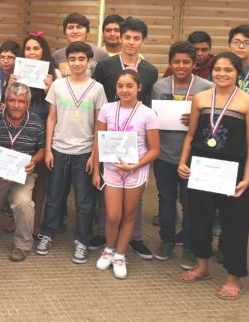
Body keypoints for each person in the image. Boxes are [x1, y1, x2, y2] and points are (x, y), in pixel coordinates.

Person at [178, 52, 249, 300]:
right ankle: (202, 265)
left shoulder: (248, 102)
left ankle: (234, 277)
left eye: (228, 70)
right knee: (198, 219)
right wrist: (182, 161)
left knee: (235, 225)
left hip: (234, 171)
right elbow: (191, 135)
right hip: (201, 168)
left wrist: (247, 177)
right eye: (217, 69)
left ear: (237, 73)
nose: (222, 74)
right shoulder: (201, 98)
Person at [35, 42, 107, 264]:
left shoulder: (97, 88)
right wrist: (48, 149)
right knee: (55, 197)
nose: (77, 63)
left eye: (82, 59)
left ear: (89, 62)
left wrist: (95, 155)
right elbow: (51, 118)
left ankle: (82, 241)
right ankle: (47, 234)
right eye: (73, 59)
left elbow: (99, 124)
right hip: (58, 149)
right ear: (67, 61)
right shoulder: (58, 86)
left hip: (84, 151)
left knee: (85, 201)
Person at [93, 70, 160, 279]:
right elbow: (98, 141)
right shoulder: (107, 109)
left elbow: (155, 149)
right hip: (112, 170)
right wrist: (96, 170)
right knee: (113, 216)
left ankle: (120, 255)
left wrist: (135, 165)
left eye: (129, 86)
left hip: (135, 171)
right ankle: (109, 249)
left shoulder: (148, 114)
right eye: (120, 86)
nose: (124, 90)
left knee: (128, 215)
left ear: (139, 87)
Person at [151, 42, 213, 268]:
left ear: (194, 63)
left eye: (186, 62)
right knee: (166, 199)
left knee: (190, 202)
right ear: (170, 63)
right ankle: (166, 241)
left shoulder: (207, 87)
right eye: (176, 62)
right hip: (164, 154)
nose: (181, 66)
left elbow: (214, 121)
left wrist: (197, 118)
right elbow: (152, 118)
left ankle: (189, 246)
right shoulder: (159, 86)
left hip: (193, 156)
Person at [0, 83, 45, 262]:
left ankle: (22, 245)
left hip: (24, 173)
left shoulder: (37, 122)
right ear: (6, 101)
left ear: (28, 103)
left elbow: (42, 148)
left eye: (21, 101)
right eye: (12, 100)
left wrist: (34, 161)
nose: (16, 105)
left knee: (24, 204)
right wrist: (1, 167)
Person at [20, 33, 58, 236]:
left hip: (44, 130)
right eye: (28, 49)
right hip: (21, 130)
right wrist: (12, 84)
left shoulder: (55, 75)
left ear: (43, 51)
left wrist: (50, 88)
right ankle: (21, 218)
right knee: (21, 176)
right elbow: (9, 103)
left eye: (36, 48)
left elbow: (59, 107)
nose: (32, 52)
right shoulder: (18, 73)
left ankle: (36, 222)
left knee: (41, 179)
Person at [227, 24, 249, 95]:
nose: (241, 46)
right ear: (229, 46)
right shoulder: (219, 68)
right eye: (236, 42)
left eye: (247, 43)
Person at [0, 40, 20, 106]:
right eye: (2, 57)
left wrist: (10, 87)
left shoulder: (20, 76)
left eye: (10, 57)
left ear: (17, 59)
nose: (5, 61)